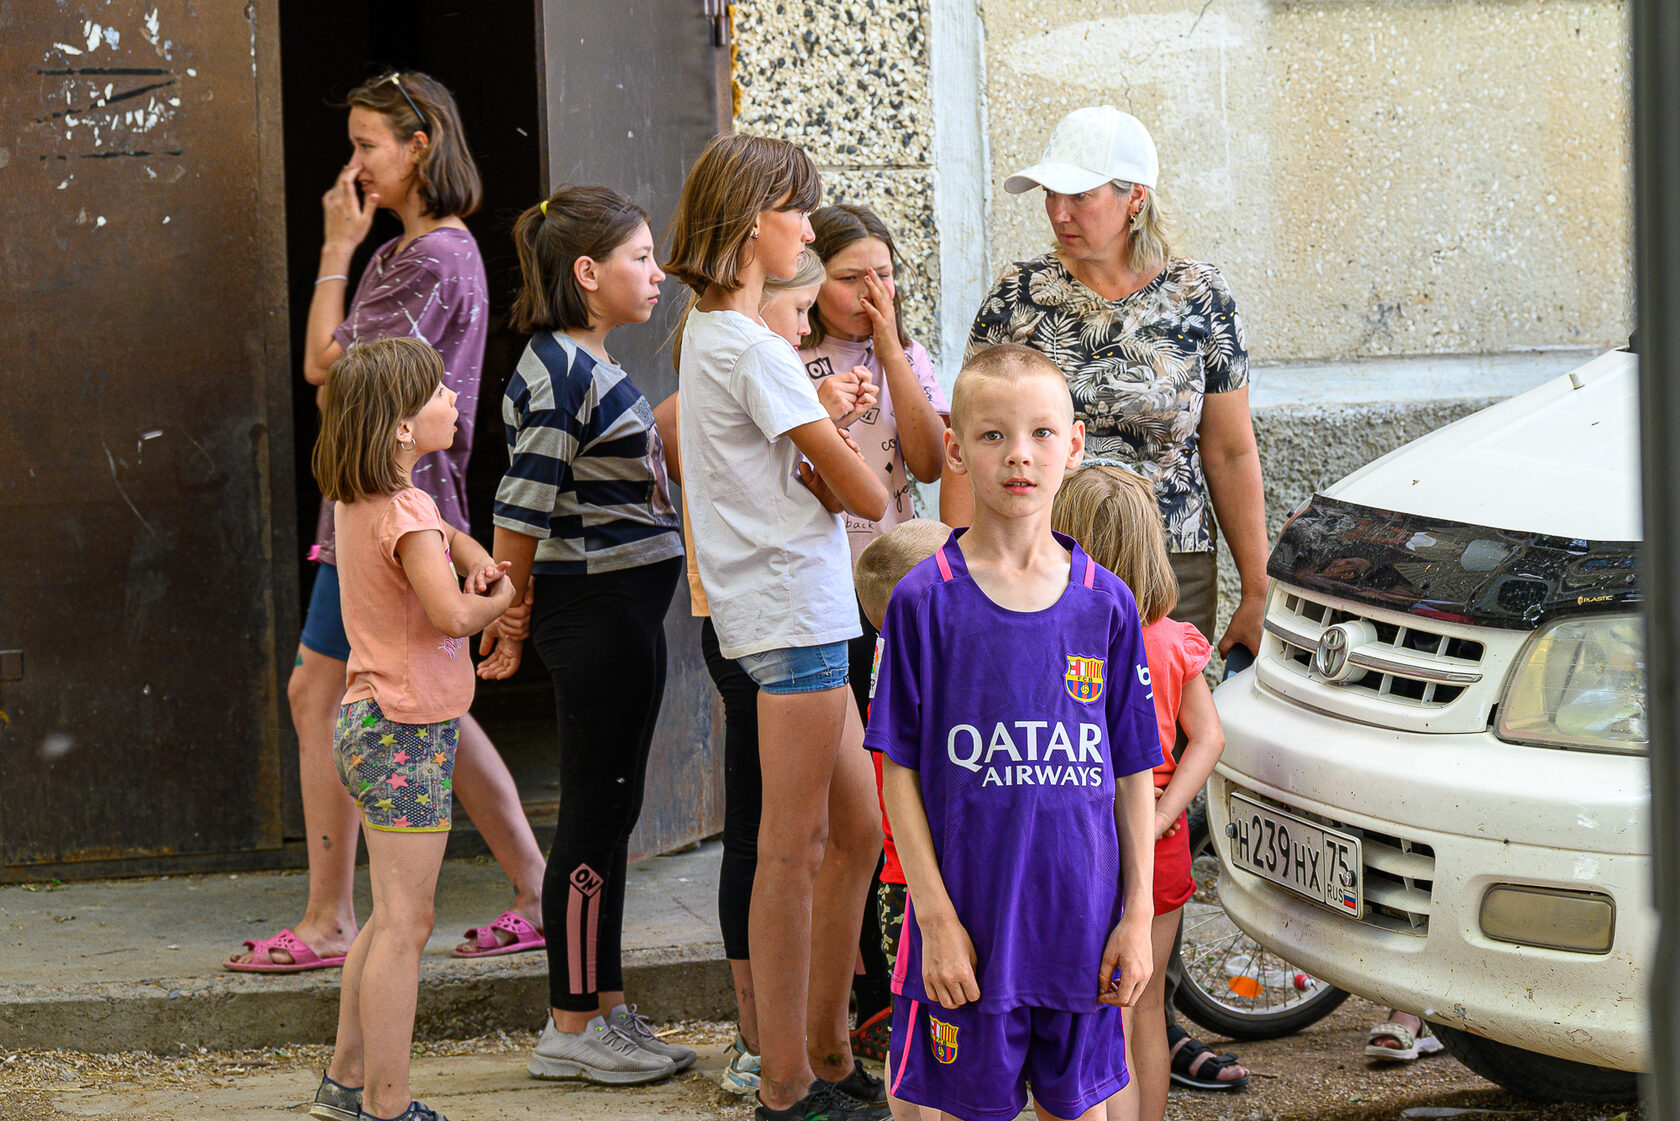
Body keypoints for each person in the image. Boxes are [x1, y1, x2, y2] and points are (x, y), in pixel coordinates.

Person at [232, 69, 545, 974]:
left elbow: (323, 363)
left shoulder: (427, 258)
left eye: (370, 143)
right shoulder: (409, 254)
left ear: (421, 146)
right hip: (386, 509)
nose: (356, 162)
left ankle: (330, 918)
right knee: (420, 698)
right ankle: (532, 882)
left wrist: (336, 243)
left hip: (388, 511)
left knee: (324, 694)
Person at [870, 343, 1162, 1121]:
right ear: (957, 450)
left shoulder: (1107, 606)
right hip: (970, 932)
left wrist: (1135, 917)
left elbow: (1135, 771)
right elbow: (895, 767)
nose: (1018, 456)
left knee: (1082, 1112)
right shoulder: (924, 601)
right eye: (993, 436)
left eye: (1040, 433)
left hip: (1081, 931)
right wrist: (933, 917)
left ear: (1074, 444)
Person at [665, 132, 891, 1121]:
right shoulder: (752, 345)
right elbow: (870, 492)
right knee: (793, 849)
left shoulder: (722, 333)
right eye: (798, 208)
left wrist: (819, 456)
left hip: (800, 611)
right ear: (755, 220)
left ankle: (828, 1046)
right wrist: (836, 453)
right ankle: (791, 1081)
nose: (808, 224)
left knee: (857, 828)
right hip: (791, 615)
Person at [475, 185, 694, 1084]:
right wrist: (509, 614)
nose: (657, 272)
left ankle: (601, 1006)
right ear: (587, 273)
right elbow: (518, 509)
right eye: (641, 258)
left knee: (613, 811)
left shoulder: (588, 363)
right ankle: (570, 1020)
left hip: (621, 611)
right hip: (595, 613)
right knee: (595, 810)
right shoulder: (559, 370)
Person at [305, 337, 518, 1121]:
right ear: (401, 427)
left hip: (370, 724)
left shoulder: (363, 501)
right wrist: (504, 601)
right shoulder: (407, 508)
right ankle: (387, 1105)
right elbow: (452, 613)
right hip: (405, 732)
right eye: (437, 393)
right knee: (408, 922)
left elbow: (436, 540)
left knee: (389, 913)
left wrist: (470, 553)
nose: (452, 399)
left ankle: (346, 1077)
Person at [966, 105, 1267, 658]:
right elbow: (972, 436)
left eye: (1079, 196)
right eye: (1050, 195)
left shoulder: (1200, 295)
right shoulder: (1018, 297)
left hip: (1169, 562)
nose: (1059, 213)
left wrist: (1257, 586)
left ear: (1136, 197)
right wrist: (961, 576)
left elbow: (1229, 451)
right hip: (1040, 556)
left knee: (1161, 730)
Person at [799, 203, 955, 1062]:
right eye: (853, 276)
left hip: (901, 590)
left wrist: (891, 350)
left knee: (904, 784)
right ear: (814, 278)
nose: (872, 291)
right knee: (848, 799)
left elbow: (931, 463)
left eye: (885, 274)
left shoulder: (907, 355)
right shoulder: (790, 355)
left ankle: (899, 974)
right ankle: (859, 985)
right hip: (825, 588)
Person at [1050, 466, 1249, 1114]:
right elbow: (1209, 737)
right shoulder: (1172, 641)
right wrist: (1164, 812)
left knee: (1091, 1017)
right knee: (1144, 1012)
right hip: (1159, 849)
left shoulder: (1064, 640)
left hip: (1083, 847)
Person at [850, 516, 962, 1121]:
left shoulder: (887, 666)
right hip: (917, 885)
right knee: (938, 1033)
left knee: (914, 1029)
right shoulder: (932, 674)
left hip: (900, 884)